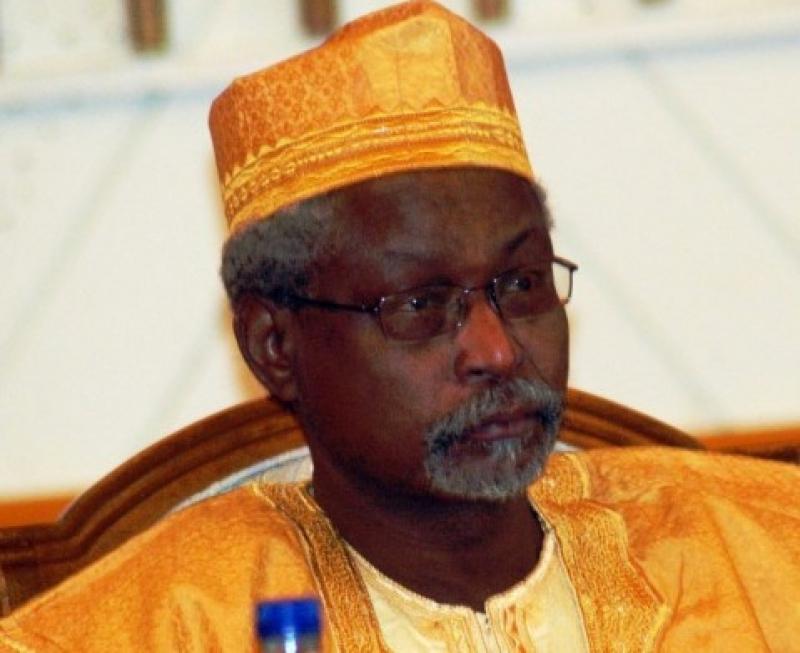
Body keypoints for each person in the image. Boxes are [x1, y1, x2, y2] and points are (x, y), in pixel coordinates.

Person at [1, 2, 798, 651]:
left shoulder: (766, 553)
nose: (496, 349)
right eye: (419, 304)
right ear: (274, 346)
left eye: (521, 284)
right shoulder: (145, 630)